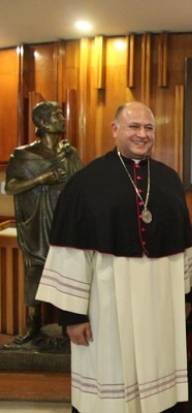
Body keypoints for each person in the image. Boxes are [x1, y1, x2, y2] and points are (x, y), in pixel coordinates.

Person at [35, 102, 192, 413]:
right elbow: (71, 253)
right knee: (110, 382)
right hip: (107, 305)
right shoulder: (86, 183)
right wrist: (73, 316)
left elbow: (183, 245)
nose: (142, 134)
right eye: (134, 127)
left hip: (159, 305)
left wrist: (185, 297)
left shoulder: (168, 179)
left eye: (148, 128)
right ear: (115, 130)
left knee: (160, 385)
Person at [5, 100, 81, 345]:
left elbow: (81, 185)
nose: (62, 118)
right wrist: (43, 178)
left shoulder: (69, 152)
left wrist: (69, 159)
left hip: (63, 220)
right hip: (37, 221)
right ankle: (32, 326)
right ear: (42, 122)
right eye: (57, 114)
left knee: (66, 272)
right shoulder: (23, 154)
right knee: (34, 272)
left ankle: (67, 326)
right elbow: (11, 186)